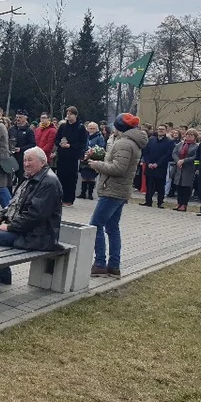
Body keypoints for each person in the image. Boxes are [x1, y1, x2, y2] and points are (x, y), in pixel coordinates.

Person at [0, 147, 63, 291]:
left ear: (42, 163)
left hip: (39, 235)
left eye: (30, 160)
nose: (26, 164)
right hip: (26, 229)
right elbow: (14, 204)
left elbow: (35, 216)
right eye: (24, 160)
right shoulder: (31, 177)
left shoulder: (49, 182)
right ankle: (3, 274)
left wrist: (9, 227)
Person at [87, 113, 147, 279]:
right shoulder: (131, 142)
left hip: (113, 190)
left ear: (120, 127)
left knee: (95, 225)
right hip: (119, 190)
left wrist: (97, 165)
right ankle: (113, 266)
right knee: (112, 228)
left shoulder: (124, 143)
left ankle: (100, 264)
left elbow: (119, 169)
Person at [53, 106, 88, 206]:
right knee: (60, 177)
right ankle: (59, 198)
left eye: (70, 114)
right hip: (62, 156)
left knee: (71, 179)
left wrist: (70, 145)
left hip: (72, 157)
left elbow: (82, 143)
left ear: (75, 115)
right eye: (67, 114)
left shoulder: (80, 128)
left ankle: (69, 199)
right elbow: (56, 139)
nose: (68, 116)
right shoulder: (63, 126)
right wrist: (59, 143)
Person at [141, 125, 175, 208]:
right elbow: (145, 152)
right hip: (150, 166)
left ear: (166, 131)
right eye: (159, 129)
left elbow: (167, 155)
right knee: (149, 185)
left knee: (160, 186)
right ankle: (148, 201)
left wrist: (157, 164)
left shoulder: (169, 142)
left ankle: (160, 202)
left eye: (162, 129)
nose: (160, 130)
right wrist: (148, 163)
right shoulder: (151, 140)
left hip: (161, 167)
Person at [171, 129, 199, 212]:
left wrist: (184, 160)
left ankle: (184, 204)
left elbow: (195, 156)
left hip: (189, 168)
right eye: (187, 135)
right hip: (179, 167)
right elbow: (174, 153)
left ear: (195, 137)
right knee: (179, 186)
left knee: (186, 187)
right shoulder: (180, 144)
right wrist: (178, 160)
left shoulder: (197, 146)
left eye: (191, 135)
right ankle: (179, 203)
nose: (189, 136)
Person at [78, 121, 105, 200]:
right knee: (84, 176)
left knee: (91, 177)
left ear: (96, 129)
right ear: (87, 128)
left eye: (93, 128)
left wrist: (93, 151)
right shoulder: (85, 135)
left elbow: (101, 147)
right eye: (90, 128)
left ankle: (90, 194)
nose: (92, 130)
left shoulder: (99, 137)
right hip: (84, 157)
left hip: (94, 158)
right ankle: (83, 193)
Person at [9, 109, 36, 184]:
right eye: (17, 117)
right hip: (11, 157)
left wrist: (21, 149)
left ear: (25, 118)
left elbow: (32, 144)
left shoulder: (29, 131)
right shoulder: (11, 129)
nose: (17, 119)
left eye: (20, 117)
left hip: (22, 157)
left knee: (22, 178)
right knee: (9, 179)